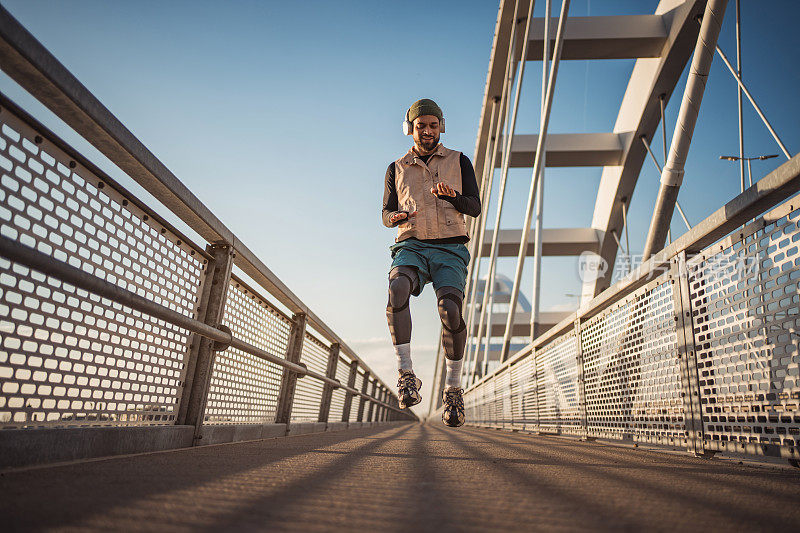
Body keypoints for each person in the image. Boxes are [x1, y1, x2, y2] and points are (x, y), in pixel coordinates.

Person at [381, 98, 481, 427]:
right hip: (411, 244)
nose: (426, 131)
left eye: (433, 125)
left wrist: (453, 195)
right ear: (410, 128)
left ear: (441, 127)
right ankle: (406, 374)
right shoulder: (396, 168)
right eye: (420, 125)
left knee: (450, 310)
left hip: (450, 247)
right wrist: (392, 216)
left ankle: (453, 391)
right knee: (397, 288)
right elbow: (386, 213)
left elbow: (474, 207)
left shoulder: (459, 161)